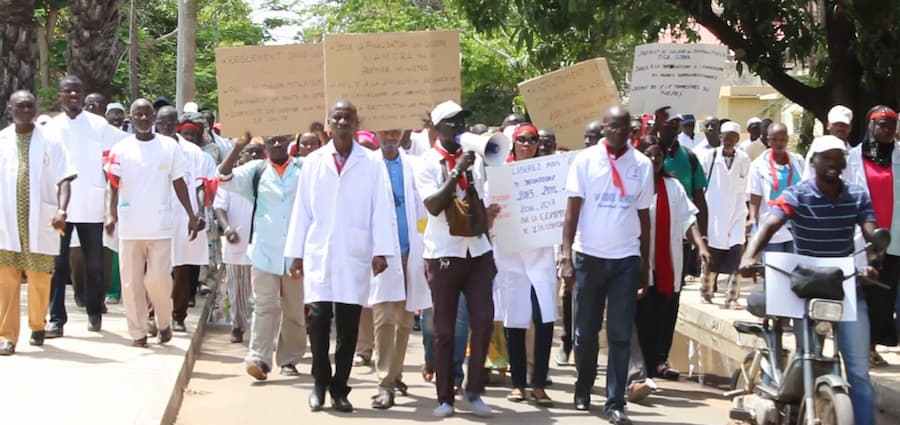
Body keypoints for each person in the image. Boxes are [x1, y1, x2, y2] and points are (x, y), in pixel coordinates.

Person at [739, 135, 881, 425]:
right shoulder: (797, 194)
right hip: (805, 289)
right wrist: (749, 255)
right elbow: (770, 223)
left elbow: (871, 232)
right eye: (826, 157)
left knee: (858, 372)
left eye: (838, 158)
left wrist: (874, 257)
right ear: (813, 161)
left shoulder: (857, 195)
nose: (833, 163)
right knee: (809, 356)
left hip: (845, 287)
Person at [284, 100, 396, 413]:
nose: (343, 122)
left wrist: (381, 250)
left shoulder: (371, 163)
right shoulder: (313, 161)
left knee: (348, 327)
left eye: (348, 117)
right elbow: (302, 210)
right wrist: (295, 253)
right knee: (319, 321)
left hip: (354, 252)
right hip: (320, 251)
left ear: (357, 123)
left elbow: (381, 208)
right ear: (329, 123)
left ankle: (340, 389)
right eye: (337, 117)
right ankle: (319, 383)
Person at [559, 106, 654, 425]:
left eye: (624, 127)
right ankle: (583, 386)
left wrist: (645, 264)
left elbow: (644, 217)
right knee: (585, 333)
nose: (618, 132)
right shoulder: (585, 161)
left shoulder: (642, 165)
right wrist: (566, 256)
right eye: (612, 126)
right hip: (588, 257)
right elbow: (571, 212)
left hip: (625, 259)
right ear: (603, 127)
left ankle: (615, 402)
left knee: (620, 333)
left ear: (631, 131)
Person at [414, 100, 502, 418]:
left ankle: (474, 390)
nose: (461, 127)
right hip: (444, 254)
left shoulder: (474, 158)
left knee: (483, 321)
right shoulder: (426, 162)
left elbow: (478, 198)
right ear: (438, 128)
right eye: (454, 122)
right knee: (444, 330)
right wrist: (456, 171)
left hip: (477, 251)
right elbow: (434, 205)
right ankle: (445, 398)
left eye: (463, 120)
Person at [105, 98, 201, 347]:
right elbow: (113, 185)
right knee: (131, 283)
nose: (143, 118)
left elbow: (179, 182)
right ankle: (137, 332)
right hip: (130, 227)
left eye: (148, 114)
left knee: (158, 280)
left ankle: (164, 321)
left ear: (154, 117)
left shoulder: (169, 147)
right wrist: (110, 214)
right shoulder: (121, 148)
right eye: (138, 114)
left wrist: (192, 215)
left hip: (160, 226)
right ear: (131, 117)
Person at [218, 132, 307, 380]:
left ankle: (289, 359)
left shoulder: (303, 168)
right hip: (263, 251)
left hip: (296, 253)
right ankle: (259, 358)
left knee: (294, 309)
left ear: (290, 141)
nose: (276, 144)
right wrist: (238, 147)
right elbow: (224, 177)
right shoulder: (256, 170)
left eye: (281, 139)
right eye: (271, 140)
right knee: (264, 306)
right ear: (265, 144)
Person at [45, 75, 126, 337]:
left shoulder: (98, 124)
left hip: (91, 206)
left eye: (77, 92)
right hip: (60, 207)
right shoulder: (50, 127)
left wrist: (111, 207)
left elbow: (121, 151)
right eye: (67, 91)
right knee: (58, 266)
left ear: (82, 95)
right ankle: (56, 319)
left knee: (94, 265)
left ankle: (94, 311)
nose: (73, 96)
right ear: (60, 95)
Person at [631, 135, 710, 395]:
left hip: (669, 261)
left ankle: (660, 361)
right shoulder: (633, 185)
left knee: (666, 311)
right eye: (649, 154)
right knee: (642, 315)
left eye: (658, 155)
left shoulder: (673, 186)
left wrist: (700, 245)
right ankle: (641, 368)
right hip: (640, 261)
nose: (654, 159)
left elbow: (688, 219)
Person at [0, 90, 76, 355]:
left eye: (29, 106)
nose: (25, 111)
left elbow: (65, 177)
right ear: (10, 109)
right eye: (20, 106)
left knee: (40, 279)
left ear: (36, 109)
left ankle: (37, 324)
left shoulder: (50, 140)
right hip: (7, 222)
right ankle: (7, 336)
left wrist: (62, 210)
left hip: (42, 219)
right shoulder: (2, 140)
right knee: (6, 281)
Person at [493, 123, 557, 406]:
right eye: (522, 140)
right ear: (514, 143)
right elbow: (491, 209)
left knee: (544, 321)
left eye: (532, 140)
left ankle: (539, 384)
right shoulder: (500, 175)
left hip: (540, 258)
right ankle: (518, 384)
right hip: (511, 260)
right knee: (515, 322)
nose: (527, 145)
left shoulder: (548, 174)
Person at [368, 128, 430, 409]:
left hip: (412, 250)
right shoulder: (367, 165)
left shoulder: (415, 164)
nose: (391, 136)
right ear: (377, 132)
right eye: (386, 131)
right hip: (381, 251)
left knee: (405, 320)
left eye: (396, 131)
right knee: (384, 318)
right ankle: (384, 382)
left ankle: (395, 373)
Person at [843, 106, 900, 367]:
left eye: (892, 125)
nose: (887, 130)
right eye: (882, 125)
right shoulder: (852, 158)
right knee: (865, 292)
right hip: (863, 238)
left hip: (894, 237)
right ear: (870, 126)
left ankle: (874, 343)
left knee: (885, 296)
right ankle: (864, 347)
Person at [159, 107, 215, 333]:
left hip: (185, 216)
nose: (166, 127)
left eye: (171, 122)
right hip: (154, 216)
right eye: (162, 122)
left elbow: (201, 186)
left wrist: (198, 213)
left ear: (177, 125)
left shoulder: (193, 153)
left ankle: (178, 316)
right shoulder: (148, 148)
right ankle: (155, 313)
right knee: (155, 268)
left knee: (182, 268)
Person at [698, 121, 750, 307]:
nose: (728, 141)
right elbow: (700, 185)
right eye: (726, 138)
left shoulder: (744, 158)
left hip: (737, 212)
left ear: (737, 139)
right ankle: (706, 292)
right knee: (712, 254)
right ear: (720, 138)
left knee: (737, 252)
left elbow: (746, 186)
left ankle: (732, 297)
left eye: (732, 138)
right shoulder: (710, 156)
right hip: (714, 212)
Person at [213, 144, 258, 343]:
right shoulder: (231, 179)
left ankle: (262, 332)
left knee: (262, 291)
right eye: (250, 152)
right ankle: (238, 326)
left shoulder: (268, 178)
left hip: (263, 244)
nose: (254, 156)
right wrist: (227, 228)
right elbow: (219, 207)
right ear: (241, 156)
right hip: (237, 241)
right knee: (237, 289)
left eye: (258, 152)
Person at [747, 123, 805, 256]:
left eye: (783, 139)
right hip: (772, 226)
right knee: (775, 266)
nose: (779, 143)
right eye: (774, 139)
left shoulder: (798, 161)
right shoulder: (758, 165)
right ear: (768, 140)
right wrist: (752, 220)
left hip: (797, 224)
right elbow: (755, 196)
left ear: (787, 139)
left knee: (797, 266)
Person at [802, 105, 853, 180]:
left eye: (844, 124)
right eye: (836, 124)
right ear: (828, 125)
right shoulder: (818, 147)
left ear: (850, 128)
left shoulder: (855, 154)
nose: (840, 128)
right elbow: (808, 176)